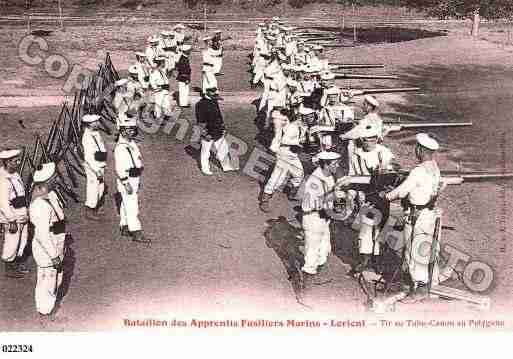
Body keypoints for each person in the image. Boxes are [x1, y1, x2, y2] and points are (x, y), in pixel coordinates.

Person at [385, 133, 442, 298]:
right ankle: (429, 281)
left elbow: (402, 192)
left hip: (417, 214)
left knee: (414, 249)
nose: (415, 151)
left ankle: (420, 286)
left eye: (417, 148)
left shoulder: (418, 171)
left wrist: (387, 196)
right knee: (426, 247)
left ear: (421, 150)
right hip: (428, 213)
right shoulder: (434, 168)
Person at [340, 123, 396, 274]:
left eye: (372, 139)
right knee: (365, 228)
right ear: (361, 140)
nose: (369, 142)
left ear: (377, 139)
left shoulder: (383, 152)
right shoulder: (356, 155)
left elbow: (390, 171)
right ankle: (365, 258)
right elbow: (352, 177)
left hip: (381, 196)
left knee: (380, 228)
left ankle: (377, 259)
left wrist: (384, 171)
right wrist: (351, 195)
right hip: (364, 195)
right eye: (365, 139)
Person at [29, 162, 66, 319]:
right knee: (47, 279)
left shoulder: (51, 196)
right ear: (46, 181)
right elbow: (42, 234)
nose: (57, 179)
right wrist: (53, 255)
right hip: (47, 249)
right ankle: (44, 312)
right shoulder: (40, 206)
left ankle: (49, 305)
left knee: (56, 277)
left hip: (57, 241)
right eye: (54, 177)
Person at [301, 151, 341, 276]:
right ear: (326, 165)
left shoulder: (328, 175)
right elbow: (307, 205)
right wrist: (329, 198)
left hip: (324, 219)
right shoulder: (314, 181)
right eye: (334, 164)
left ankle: (317, 271)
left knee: (324, 249)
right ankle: (307, 278)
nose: (337, 166)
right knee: (312, 251)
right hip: (313, 219)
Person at [259, 108, 304, 213]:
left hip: (292, 154)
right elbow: (282, 140)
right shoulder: (281, 125)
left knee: (299, 173)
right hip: (283, 153)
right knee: (278, 176)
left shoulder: (295, 124)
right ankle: (265, 199)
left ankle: (291, 190)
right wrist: (299, 141)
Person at [114, 118, 149, 243]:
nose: (132, 132)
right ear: (122, 131)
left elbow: (138, 158)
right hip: (127, 178)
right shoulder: (120, 148)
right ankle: (136, 232)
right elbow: (119, 168)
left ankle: (125, 225)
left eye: (133, 129)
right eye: (129, 130)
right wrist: (125, 183)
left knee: (125, 203)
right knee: (132, 205)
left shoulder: (131, 143)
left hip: (135, 176)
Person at [0, 149, 29, 278]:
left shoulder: (15, 174)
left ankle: (16, 262)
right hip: (12, 216)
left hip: (21, 212)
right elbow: (3, 203)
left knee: (22, 240)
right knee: (12, 241)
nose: (18, 162)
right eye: (14, 161)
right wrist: (11, 220)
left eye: (18, 160)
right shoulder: (3, 180)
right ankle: (9, 267)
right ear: (6, 162)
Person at [195, 87, 235, 176]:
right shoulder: (200, 104)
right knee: (205, 151)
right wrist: (204, 133)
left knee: (223, 148)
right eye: (214, 94)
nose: (216, 97)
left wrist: (223, 127)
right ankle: (205, 168)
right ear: (208, 93)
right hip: (208, 132)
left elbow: (219, 116)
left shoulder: (214, 101)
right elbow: (200, 121)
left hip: (218, 130)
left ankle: (226, 166)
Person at [81, 114, 107, 221]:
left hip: (99, 163)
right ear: (89, 124)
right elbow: (89, 157)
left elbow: (100, 148)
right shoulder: (87, 137)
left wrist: (103, 164)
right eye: (95, 122)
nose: (97, 123)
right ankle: (89, 210)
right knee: (93, 188)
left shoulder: (95, 133)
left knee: (101, 187)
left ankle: (95, 207)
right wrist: (96, 170)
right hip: (93, 166)